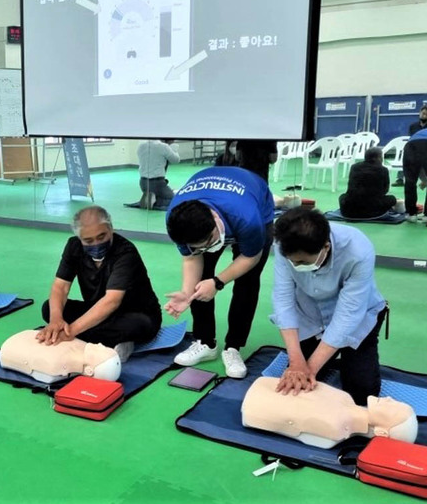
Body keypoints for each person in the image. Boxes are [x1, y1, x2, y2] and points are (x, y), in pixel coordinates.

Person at [165, 166, 274, 378]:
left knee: (247, 280)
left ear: (214, 220)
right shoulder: (176, 219)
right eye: (198, 246)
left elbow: (251, 257)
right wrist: (187, 293)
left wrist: (217, 282)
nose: (204, 249)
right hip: (215, 197)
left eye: (208, 242)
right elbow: (190, 257)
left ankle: (233, 347)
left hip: (253, 199)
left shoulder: (247, 218)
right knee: (200, 281)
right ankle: (205, 342)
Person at [271, 208, 388, 406]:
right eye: (293, 261)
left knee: (362, 392)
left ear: (325, 247)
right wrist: (296, 360)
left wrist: (310, 369)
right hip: (310, 314)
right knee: (296, 380)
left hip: (359, 318)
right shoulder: (284, 243)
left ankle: (347, 361)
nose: (296, 265)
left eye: (302, 262)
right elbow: (283, 298)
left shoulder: (358, 250)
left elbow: (349, 314)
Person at [37, 206, 162, 362]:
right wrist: (56, 320)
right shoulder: (74, 247)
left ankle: (111, 338)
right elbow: (60, 287)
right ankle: (112, 340)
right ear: (79, 238)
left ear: (111, 229)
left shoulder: (126, 253)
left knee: (138, 325)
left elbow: (112, 301)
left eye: (102, 237)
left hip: (135, 314)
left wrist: (71, 331)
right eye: (88, 241)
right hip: (98, 312)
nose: (96, 244)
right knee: (49, 308)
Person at [242, 377, 417, 449]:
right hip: (265, 390)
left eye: (393, 408)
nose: (389, 399)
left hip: (254, 406)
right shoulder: (345, 398)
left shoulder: (334, 428)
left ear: (381, 433)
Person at [339, 147, 398, 218]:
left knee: (342, 196)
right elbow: (385, 190)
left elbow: (350, 187)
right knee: (392, 199)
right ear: (379, 157)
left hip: (350, 210)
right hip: (373, 210)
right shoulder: (383, 170)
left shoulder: (354, 167)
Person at [136, 139, 180, 209]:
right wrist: (173, 147)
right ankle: (155, 202)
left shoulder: (141, 145)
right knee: (175, 200)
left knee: (161, 193)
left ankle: (150, 197)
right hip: (158, 183)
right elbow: (176, 160)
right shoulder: (163, 147)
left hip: (143, 183)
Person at [394, 104, 427, 187]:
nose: (424, 115)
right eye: (423, 113)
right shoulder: (413, 126)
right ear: (419, 113)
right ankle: (400, 178)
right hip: (414, 150)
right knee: (407, 156)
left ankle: (424, 180)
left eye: (426, 114)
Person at [402, 128, 427, 223]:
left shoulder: (420, 132)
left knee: (410, 181)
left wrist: (424, 181)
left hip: (411, 145)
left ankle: (411, 214)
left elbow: (420, 165)